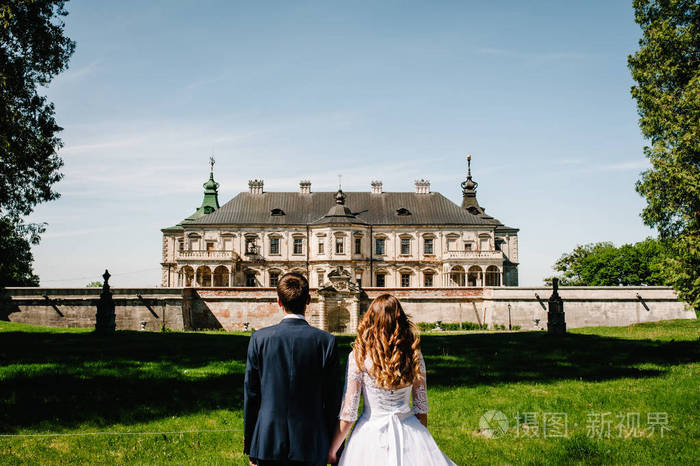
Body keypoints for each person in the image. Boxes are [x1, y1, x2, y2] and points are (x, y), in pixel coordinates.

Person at [328, 294, 456, 466]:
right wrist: (421, 446)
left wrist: (332, 450)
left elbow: (349, 413)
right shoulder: (413, 354)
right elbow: (421, 409)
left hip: (370, 433)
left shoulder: (359, 356)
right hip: (409, 428)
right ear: (400, 320)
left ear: (371, 320)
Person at [244, 272, 343, 466]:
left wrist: (251, 445)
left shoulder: (259, 339)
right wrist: (336, 447)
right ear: (308, 300)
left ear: (278, 301)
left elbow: (252, 396)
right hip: (312, 442)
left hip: (267, 442)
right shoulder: (326, 342)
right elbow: (333, 400)